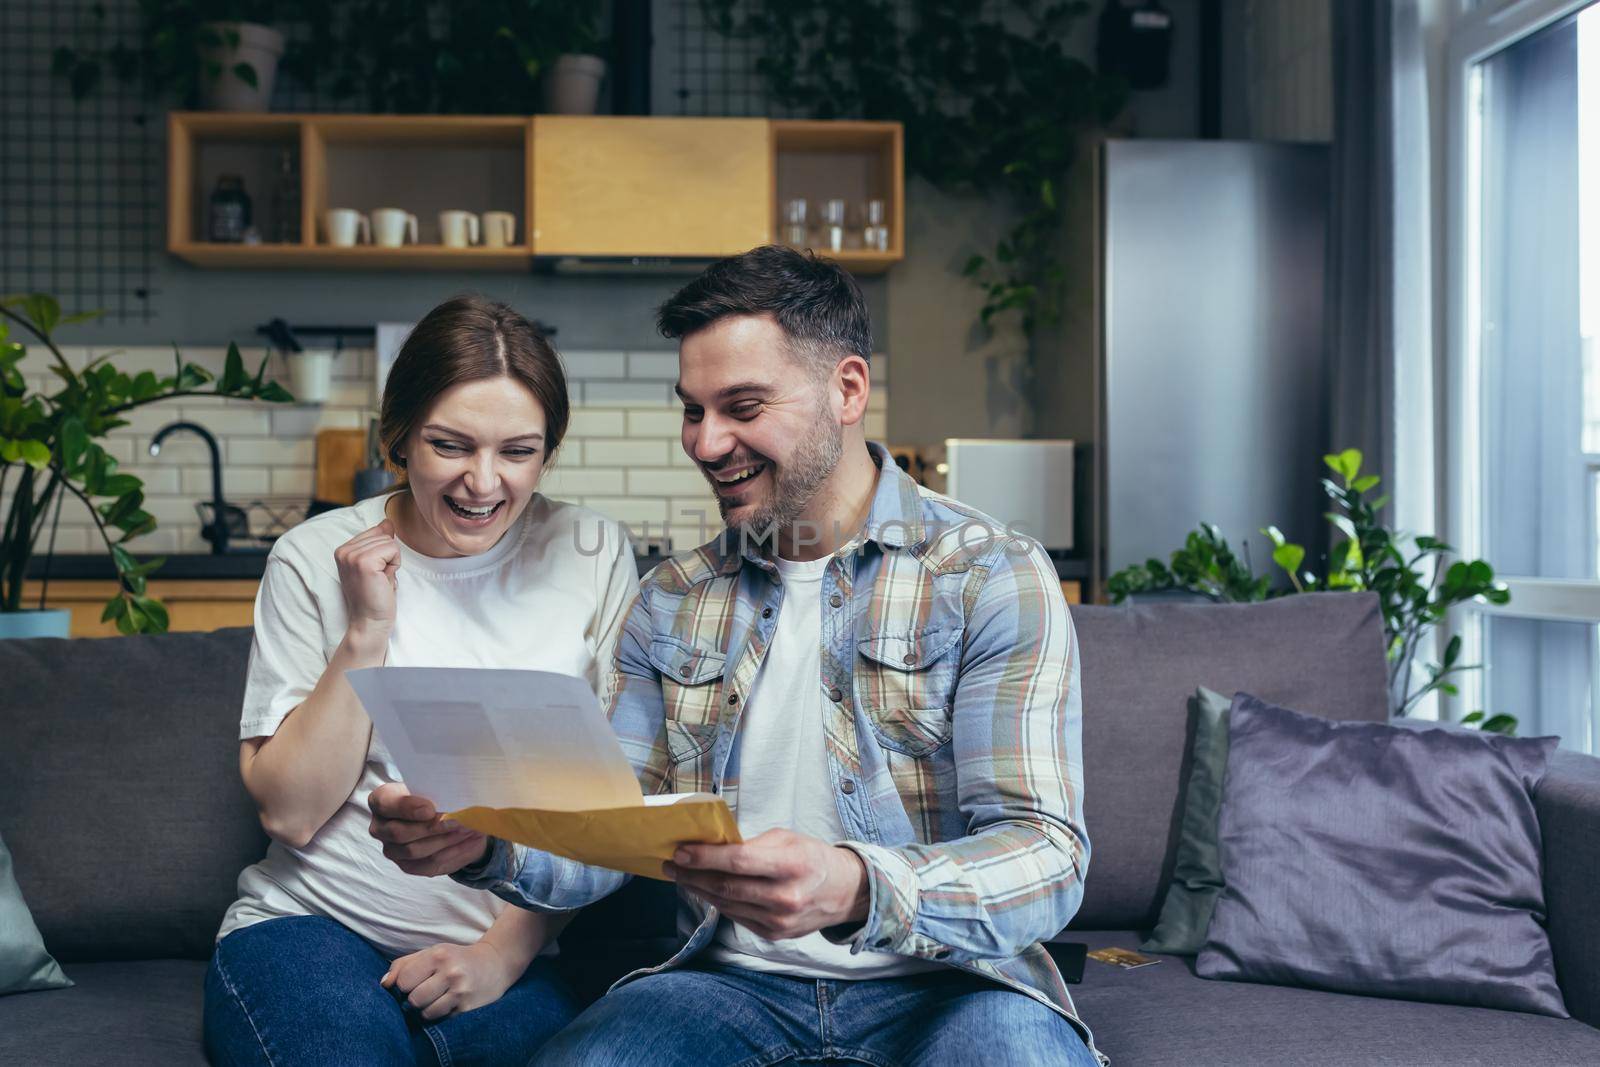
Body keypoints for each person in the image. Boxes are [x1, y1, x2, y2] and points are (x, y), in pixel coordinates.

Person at [369, 247, 1101, 1067]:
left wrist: (856, 886)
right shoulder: (674, 597)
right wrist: (486, 845)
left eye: (742, 405)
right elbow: (609, 829)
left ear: (847, 389)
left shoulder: (989, 574)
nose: (707, 442)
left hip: (952, 984)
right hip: (726, 984)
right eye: (692, 410)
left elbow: (1045, 854)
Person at [203, 295, 639, 1067]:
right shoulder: (313, 556)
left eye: (518, 451)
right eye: (451, 444)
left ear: (548, 451)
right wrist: (367, 629)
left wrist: (501, 953)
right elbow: (292, 812)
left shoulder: (593, 550)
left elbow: (606, 809)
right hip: (314, 926)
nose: (483, 481)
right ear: (396, 437)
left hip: (508, 944)